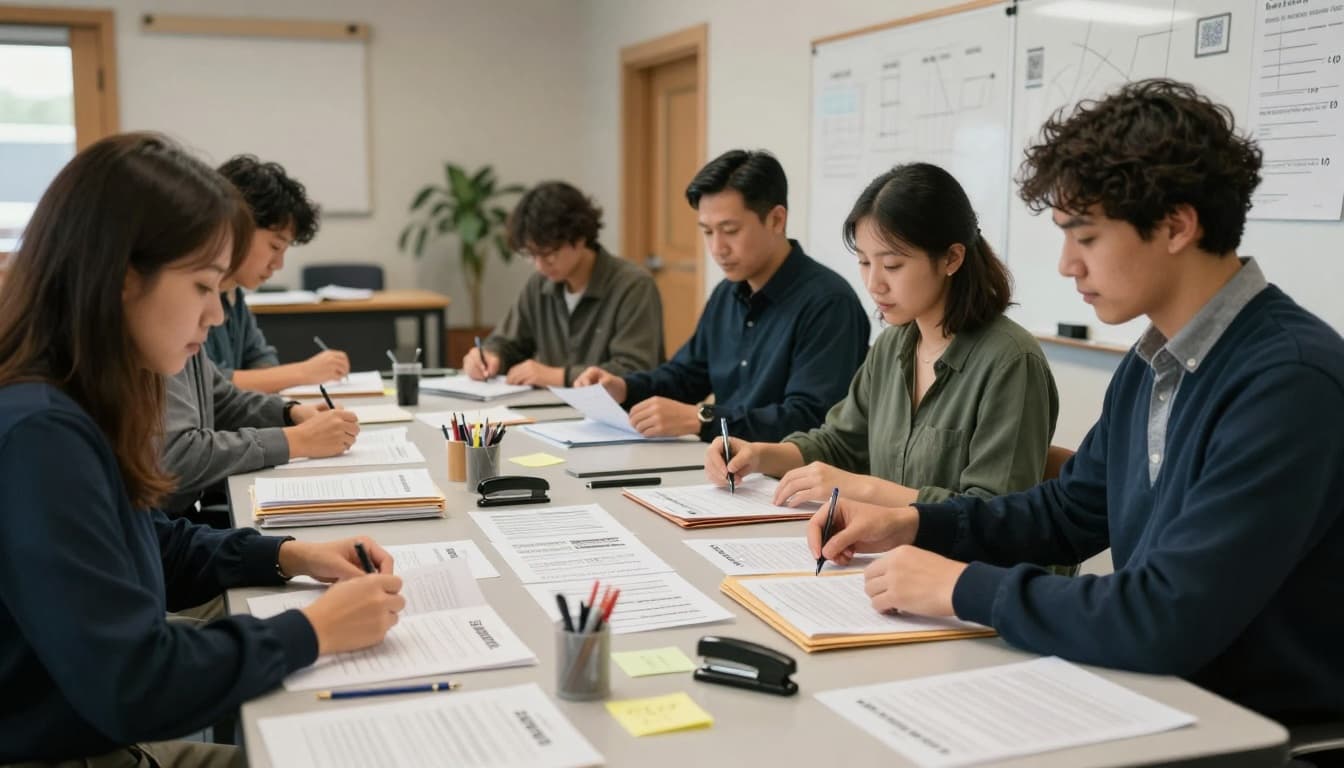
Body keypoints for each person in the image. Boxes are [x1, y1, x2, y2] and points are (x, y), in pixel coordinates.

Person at [807, 79, 1344, 728]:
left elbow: (1165, 615)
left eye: (1084, 238)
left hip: (1244, 726)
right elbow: (1069, 512)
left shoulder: (1289, 381)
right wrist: (916, 526)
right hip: (1151, 694)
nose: (1065, 265)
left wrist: (959, 587)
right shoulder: (1153, 359)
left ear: (1176, 225)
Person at [0, 132, 404, 766]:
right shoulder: (39, 433)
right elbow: (137, 684)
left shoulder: (75, 395)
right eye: (201, 287)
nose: (218, 317)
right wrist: (314, 630)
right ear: (124, 277)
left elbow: (149, 539)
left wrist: (291, 554)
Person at [706, 163, 1057, 507]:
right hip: (892, 555)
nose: (874, 284)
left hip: (962, 564)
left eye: (892, 265)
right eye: (863, 262)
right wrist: (758, 454)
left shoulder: (1010, 362)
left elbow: (996, 512)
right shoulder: (893, 346)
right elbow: (839, 443)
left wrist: (863, 489)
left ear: (951, 258)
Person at [574, 149, 870, 442]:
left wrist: (702, 418)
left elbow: (808, 420)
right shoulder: (727, 293)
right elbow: (686, 376)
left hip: (785, 479)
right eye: (707, 232)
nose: (717, 248)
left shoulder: (828, 303)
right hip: (725, 467)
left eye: (730, 230)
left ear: (777, 220)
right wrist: (623, 388)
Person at [464, 181, 664, 386]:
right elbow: (507, 342)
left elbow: (634, 370)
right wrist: (490, 356)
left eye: (549, 255)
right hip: (555, 411)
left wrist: (557, 376)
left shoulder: (633, 286)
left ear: (579, 239)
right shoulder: (539, 285)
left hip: (620, 414)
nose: (540, 266)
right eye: (531, 255)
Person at [208, 155, 351, 393]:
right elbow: (207, 386)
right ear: (237, 225)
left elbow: (261, 358)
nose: (278, 264)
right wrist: (303, 373)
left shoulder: (233, 294)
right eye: (275, 247)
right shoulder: (192, 295)